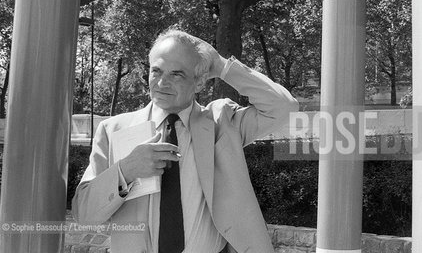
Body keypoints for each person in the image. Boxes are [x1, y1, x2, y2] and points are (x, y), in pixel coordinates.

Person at [72, 29, 298, 253]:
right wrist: (126, 170)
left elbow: (283, 107)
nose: (161, 83)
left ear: (199, 83)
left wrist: (221, 66)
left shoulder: (223, 122)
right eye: (156, 71)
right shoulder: (113, 130)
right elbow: (84, 215)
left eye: (176, 74)